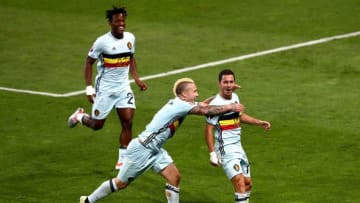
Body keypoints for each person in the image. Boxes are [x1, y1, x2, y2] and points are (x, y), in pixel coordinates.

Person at [78, 77, 245, 203]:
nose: (197, 93)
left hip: (156, 150)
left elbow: (205, 104)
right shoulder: (182, 105)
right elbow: (206, 110)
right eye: (194, 91)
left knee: (175, 178)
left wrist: (225, 93)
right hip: (142, 149)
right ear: (183, 94)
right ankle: (87, 201)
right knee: (120, 183)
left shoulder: (183, 103)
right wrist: (230, 106)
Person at [67, 6, 147, 170]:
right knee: (97, 125)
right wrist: (89, 88)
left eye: (123, 20)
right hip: (105, 89)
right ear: (110, 23)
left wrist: (137, 79)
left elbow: (131, 58)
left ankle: (122, 159)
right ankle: (80, 116)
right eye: (117, 21)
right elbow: (89, 62)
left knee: (128, 122)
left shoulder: (130, 38)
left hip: (124, 87)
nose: (121, 24)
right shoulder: (102, 42)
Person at [205, 69, 271, 203]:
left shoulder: (235, 98)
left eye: (231, 82)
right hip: (225, 150)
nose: (229, 85)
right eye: (225, 82)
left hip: (238, 148)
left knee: (247, 184)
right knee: (240, 183)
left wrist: (258, 122)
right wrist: (212, 153)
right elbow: (208, 129)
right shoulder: (214, 106)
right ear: (219, 83)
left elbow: (239, 117)